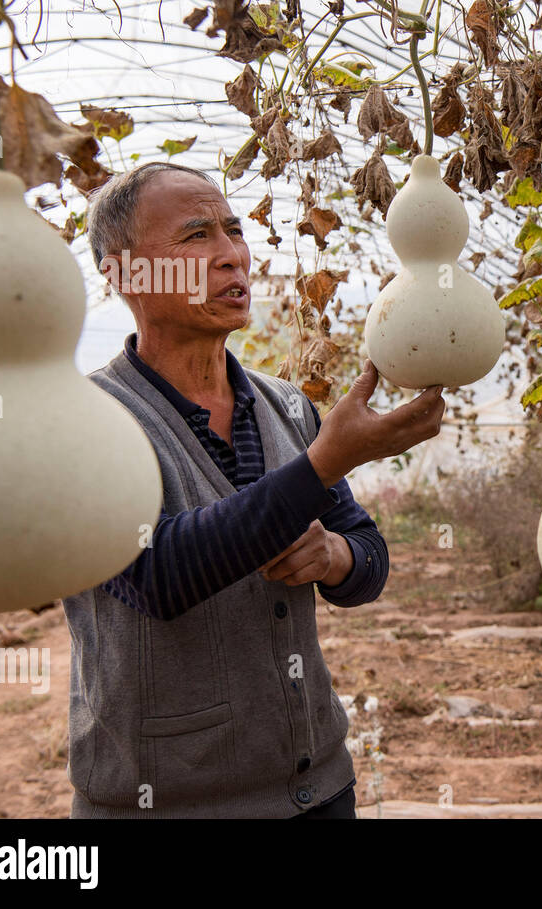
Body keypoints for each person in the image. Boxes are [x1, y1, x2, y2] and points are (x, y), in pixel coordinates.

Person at [61, 162, 445, 818]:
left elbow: (367, 558)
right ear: (126, 274)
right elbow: (157, 574)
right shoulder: (82, 418)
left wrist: (336, 557)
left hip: (319, 789)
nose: (232, 254)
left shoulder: (286, 406)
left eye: (234, 231)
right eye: (196, 236)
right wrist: (321, 463)